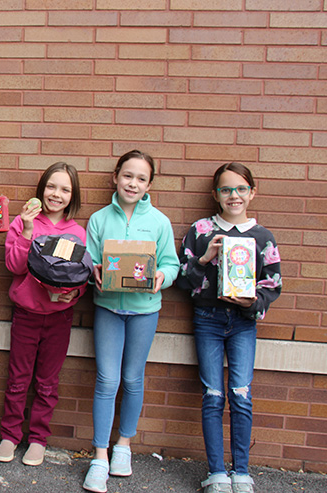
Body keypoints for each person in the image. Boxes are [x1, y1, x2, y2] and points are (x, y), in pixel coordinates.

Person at [176, 163, 282, 493]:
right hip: (207, 319)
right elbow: (182, 278)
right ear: (215, 195)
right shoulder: (202, 229)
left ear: (252, 192)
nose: (233, 195)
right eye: (225, 189)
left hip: (243, 324)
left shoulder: (262, 236)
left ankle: (242, 472)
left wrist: (254, 302)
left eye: (239, 189)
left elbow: (273, 283)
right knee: (213, 394)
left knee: (241, 394)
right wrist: (204, 259)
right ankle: (217, 472)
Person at [82, 150, 180, 493]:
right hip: (108, 308)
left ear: (149, 184)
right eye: (128, 176)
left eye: (141, 178)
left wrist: (161, 277)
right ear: (115, 177)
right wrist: (92, 270)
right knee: (107, 381)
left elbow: (172, 263)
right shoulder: (98, 219)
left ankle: (123, 446)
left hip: (144, 310)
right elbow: (90, 259)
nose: (133, 183)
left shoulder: (159, 222)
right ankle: (100, 456)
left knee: (133, 379)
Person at [0, 162, 92, 466]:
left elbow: (83, 276)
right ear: (42, 189)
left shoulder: (77, 233)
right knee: (18, 379)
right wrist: (26, 230)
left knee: (48, 382)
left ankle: (38, 439)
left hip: (60, 318)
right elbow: (14, 266)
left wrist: (75, 293)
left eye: (65, 189)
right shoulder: (25, 223)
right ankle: (10, 434)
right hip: (26, 314)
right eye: (51, 186)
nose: (56, 194)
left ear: (72, 196)